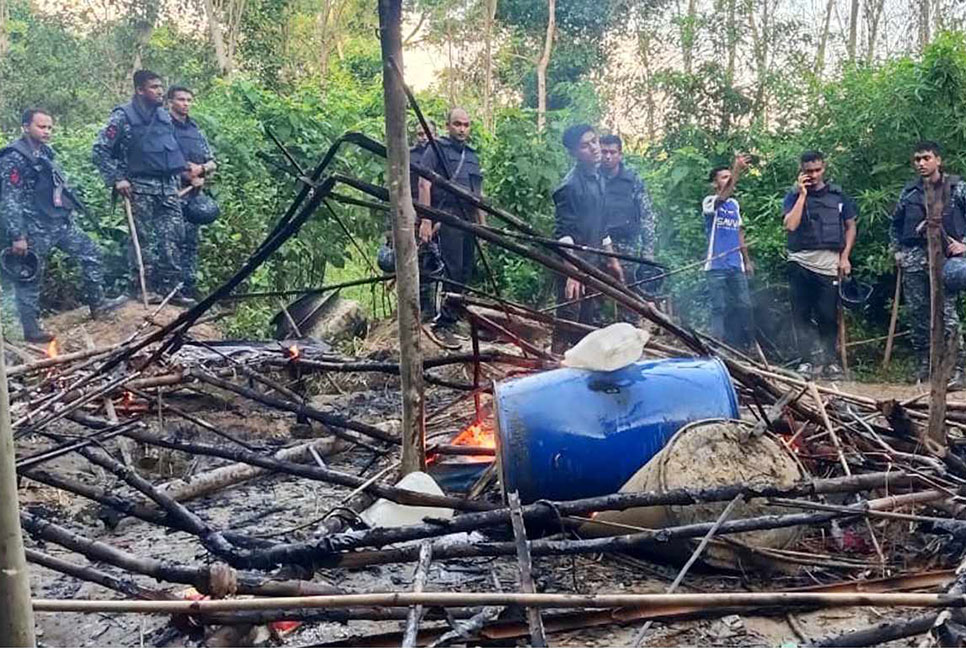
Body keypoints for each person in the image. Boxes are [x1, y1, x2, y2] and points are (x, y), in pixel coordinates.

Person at [0, 109, 125, 342]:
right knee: (31, 275)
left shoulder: (45, 153)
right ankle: (32, 330)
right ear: (25, 127)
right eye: (41, 127)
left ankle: (98, 303)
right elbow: (9, 199)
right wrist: (18, 235)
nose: (47, 131)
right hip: (32, 228)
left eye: (49, 127)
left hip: (58, 223)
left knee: (91, 253)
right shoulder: (13, 158)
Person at [92, 69, 194, 306]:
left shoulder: (164, 116)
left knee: (173, 237)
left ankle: (171, 289)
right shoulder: (122, 117)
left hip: (168, 188)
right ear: (139, 90)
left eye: (161, 87)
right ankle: (142, 288)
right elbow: (100, 150)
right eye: (154, 87)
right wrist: (117, 178)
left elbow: (171, 150)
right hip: (139, 188)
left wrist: (189, 172)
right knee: (143, 240)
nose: (160, 91)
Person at [891, 140, 966, 385]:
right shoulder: (910, 192)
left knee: (947, 314)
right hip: (914, 260)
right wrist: (897, 251)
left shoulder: (957, 188)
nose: (921, 163)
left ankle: (957, 369)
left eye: (926, 158)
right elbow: (895, 224)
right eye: (917, 159)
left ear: (938, 160)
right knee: (918, 314)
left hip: (946, 260)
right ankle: (925, 365)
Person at [782, 150, 857, 379]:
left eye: (817, 170)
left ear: (824, 168)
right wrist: (802, 195)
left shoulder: (838, 196)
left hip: (828, 264)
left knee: (827, 315)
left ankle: (830, 362)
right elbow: (790, 226)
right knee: (801, 314)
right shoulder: (793, 197)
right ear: (801, 171)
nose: (813, 175)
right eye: (808, 171)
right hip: (800, 262)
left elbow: (850, 226)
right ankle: (806, 361)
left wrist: (845, 257)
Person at [552, 124, 624, 354]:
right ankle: (552, 369)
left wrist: (612, 259)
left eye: (594, 141)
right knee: (567, 321)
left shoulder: (600, 178)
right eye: (585, 145)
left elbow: (602, 225)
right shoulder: (569, 186)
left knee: (589, 323)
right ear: (574, 153)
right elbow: (564, 232)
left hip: (594, 262)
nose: (594, 148)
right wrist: (572, 272)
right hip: (573, 265)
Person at [417, 107, 483, 345]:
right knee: (451, 270)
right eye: (457, 124)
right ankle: (442, 322)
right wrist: (426, 219)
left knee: (465, 270)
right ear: (448, 126)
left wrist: (482, 226)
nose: (462, 129)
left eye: (466, 125)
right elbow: (424, 184)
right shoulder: (436, 150)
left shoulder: (472, 155)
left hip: (467, 220)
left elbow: (478, 193)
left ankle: (453, 316)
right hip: (446, 218)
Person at [600, 134, 657, 321]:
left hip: (626, 245)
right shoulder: (593, 177)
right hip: (596, 244)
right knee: (595, 296)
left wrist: (648, 252)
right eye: (604, 152)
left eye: (612, 152)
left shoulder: (632, 180)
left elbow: (646, 215)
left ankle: (629, 338)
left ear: (620, 154)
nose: (607, 156)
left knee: (629, 298)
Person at [168, 85, 217, 300]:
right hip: (170, 193)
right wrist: (185, 172)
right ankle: (171, 288)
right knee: (170, 242)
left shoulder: (195, 130)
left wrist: (201, 170)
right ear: (170, 101)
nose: (185, 104)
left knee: (190, 242)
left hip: (193, 195)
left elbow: (212, 162)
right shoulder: (163, 128)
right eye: (181, 99)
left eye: (189, 100)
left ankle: (188, 286)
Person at [702, 156, 755, 351]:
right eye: (724, 177)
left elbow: (740, 233)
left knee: (745, 305)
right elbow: (722, 197)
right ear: (715, 183)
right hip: (715, 265)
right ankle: (717, 346)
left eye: (729, 176)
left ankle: (747, 345)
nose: (728, 179)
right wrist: (737, 169)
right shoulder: (710, 202)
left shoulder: (734, 205)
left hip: (735, 264)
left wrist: (746, 261)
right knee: (719, 307)